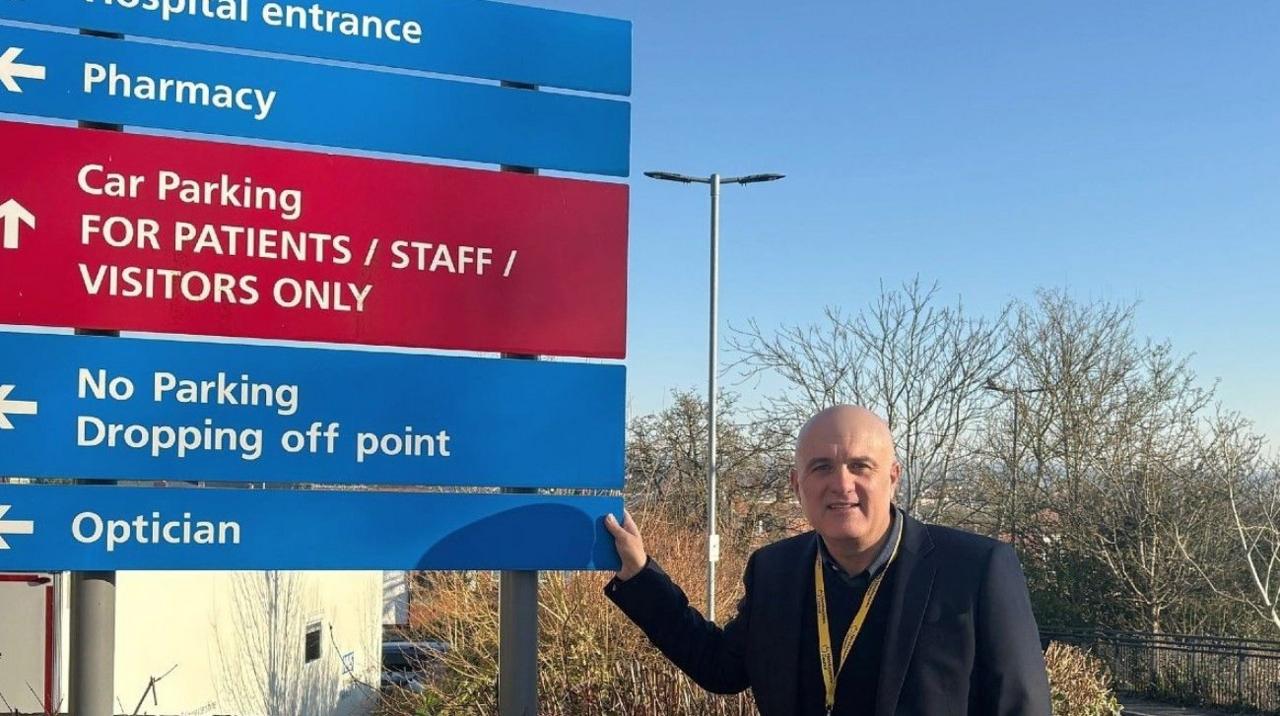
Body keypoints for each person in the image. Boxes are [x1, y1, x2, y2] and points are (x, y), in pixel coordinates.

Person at [603, 405, 1051, 715]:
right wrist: (640, 575)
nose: (841, 484)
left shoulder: (975, 569)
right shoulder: (774, 570)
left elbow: (1021, 706)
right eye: (821, 468)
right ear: (798, 484)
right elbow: (721, 667)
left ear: (892, 478)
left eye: (860, 466)